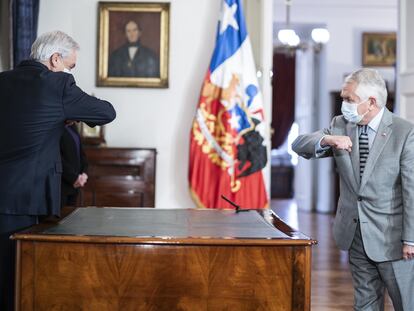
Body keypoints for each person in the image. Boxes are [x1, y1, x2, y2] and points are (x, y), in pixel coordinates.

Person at [0, 30, 116, 311]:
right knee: (18, 281)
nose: (70, 71)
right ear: (55, 59)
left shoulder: (3, 80)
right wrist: (67, 111)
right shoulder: (58, 84)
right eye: (70, 66)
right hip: (26, 199)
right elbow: (106, 112)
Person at [292, 68, 414, 310]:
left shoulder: (404, 131)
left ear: (371, 102)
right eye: (342, 98)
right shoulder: (340, 124)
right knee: (364, 304)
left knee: (406, 304)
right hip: (355, 235)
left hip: (394, 240)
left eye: (349, 99)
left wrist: (411, 239)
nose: (343, 104)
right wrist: (327, 140)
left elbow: (412, 190)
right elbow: (299, 144)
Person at [60, 124, 88, 207]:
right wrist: (74, 178)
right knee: (60, 218)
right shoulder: (55, 127)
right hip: (61, 184)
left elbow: (81, 153)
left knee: (71, 217)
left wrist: (84, 173)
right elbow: (56, 157)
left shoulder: (73, 126)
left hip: (75, 184)